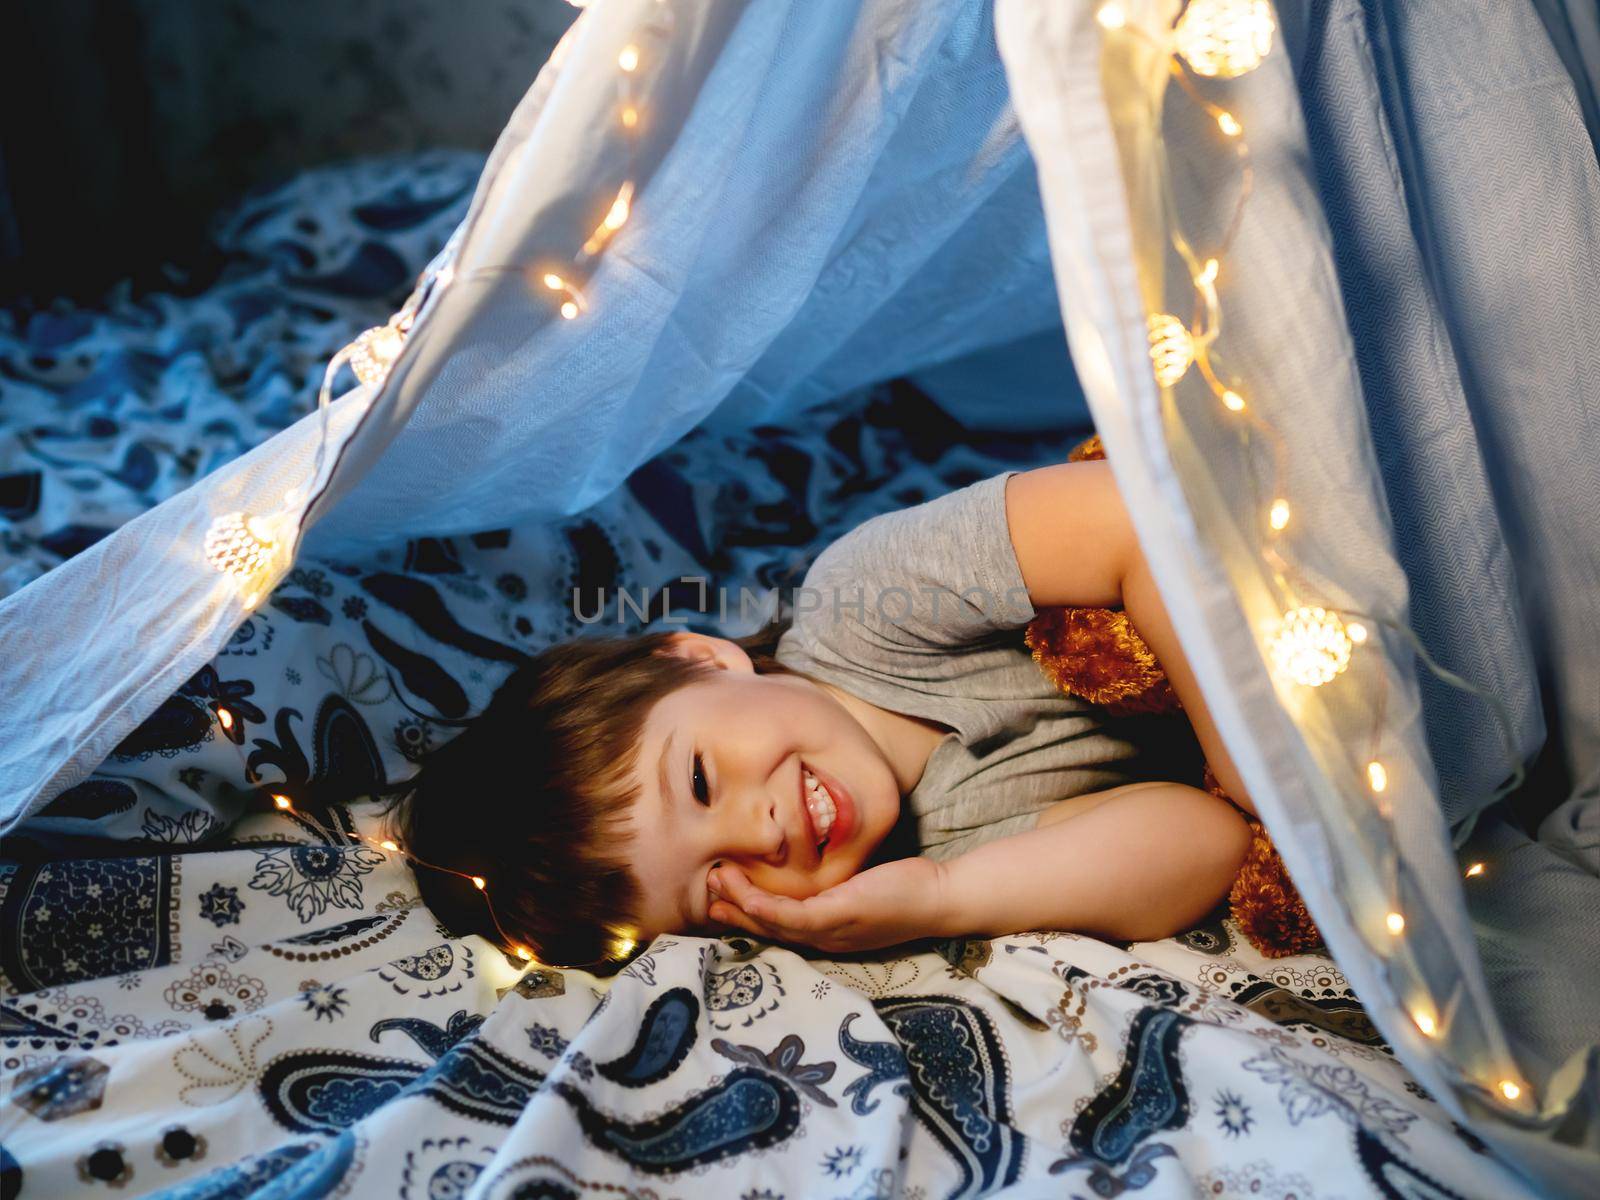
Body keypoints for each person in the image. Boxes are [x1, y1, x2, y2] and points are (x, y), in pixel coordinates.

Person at [382, 460, 1254, 967]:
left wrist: (1249, 752)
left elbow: (1137, 511)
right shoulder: (932, 860)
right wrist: (945, 900)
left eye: (697, 780)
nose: (759, 837)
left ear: (699, 657)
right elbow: (1204, 841)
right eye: (717, 892)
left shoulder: (864, 603)